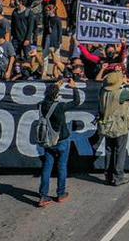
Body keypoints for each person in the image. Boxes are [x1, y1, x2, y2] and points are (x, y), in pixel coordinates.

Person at [37, 77, 83, 206]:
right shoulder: (60, 107)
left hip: (48, 140)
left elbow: (49, 96)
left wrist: (56, 86)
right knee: (62, 166)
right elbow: (77, 101)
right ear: (57, 95)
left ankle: (43, 195)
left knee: (47, 167)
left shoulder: (40, 105)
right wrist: (74, 87)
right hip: (62, 139)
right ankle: (61, 193)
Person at [98, 71, 129, 186]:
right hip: (118, 125)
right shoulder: (121, 93)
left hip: (106, 124)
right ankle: (118, 177)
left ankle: (108, 176)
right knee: (120, 151)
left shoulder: (103, 91)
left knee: (109, 150)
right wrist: (128, 84)